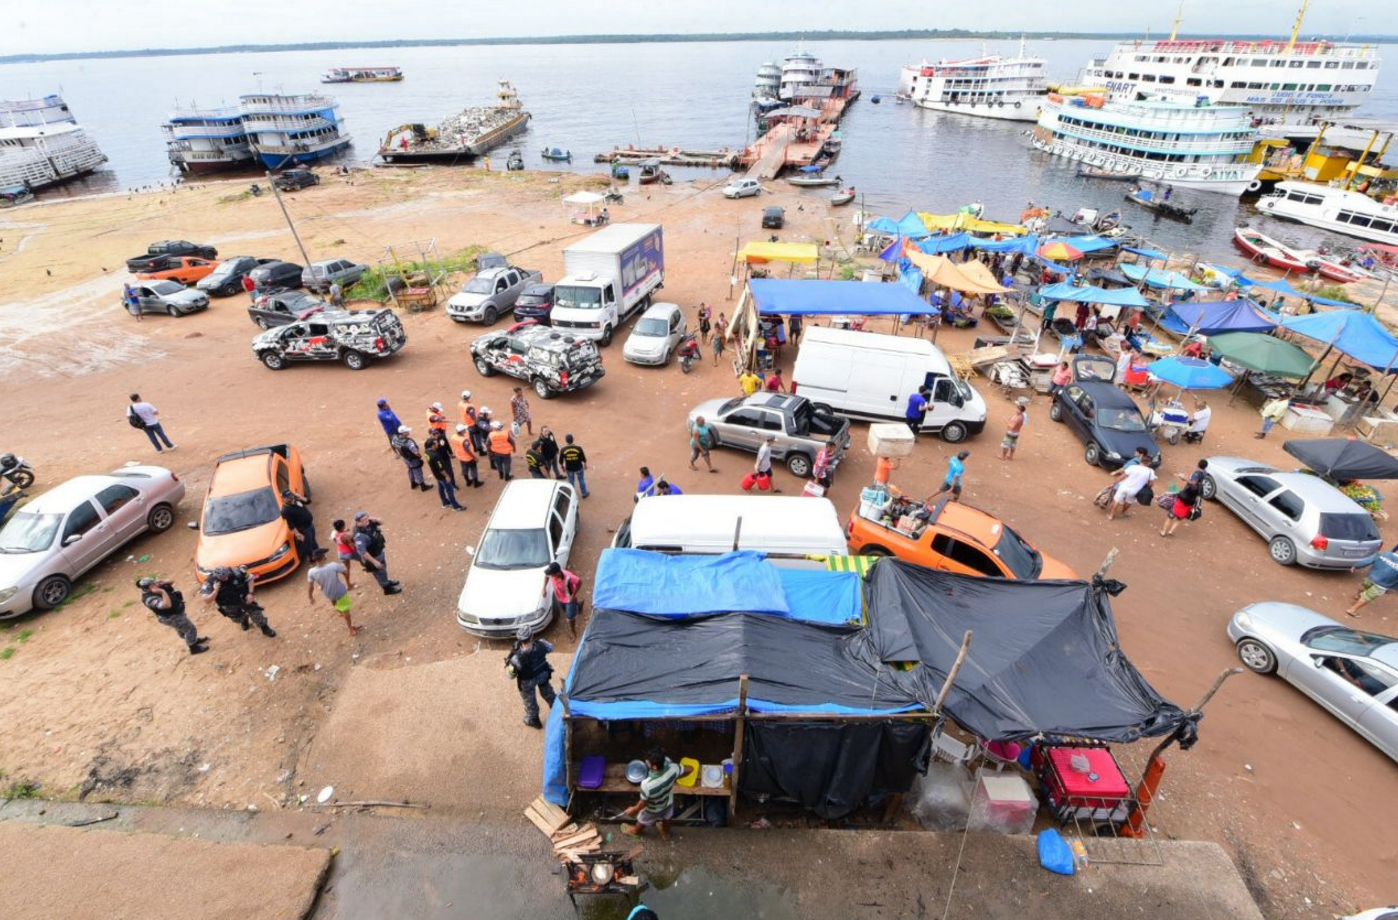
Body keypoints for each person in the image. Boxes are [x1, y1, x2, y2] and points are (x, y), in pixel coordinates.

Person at [621, 747, 694, 841]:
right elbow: (690, 769)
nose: (646, 762)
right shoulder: (673, 768)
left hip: (653, 809)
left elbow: (643, 803)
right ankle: (665, 833)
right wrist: (676, 776)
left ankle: (636, 831)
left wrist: (634, 809)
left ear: (654, 767)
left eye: (648, 762)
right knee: (667, 818)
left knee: (643, 819)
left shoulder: (646, 784)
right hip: (668, 802)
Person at [138, 577, 207, 655]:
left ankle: (192, 639)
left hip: (176, 613)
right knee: (190, 629)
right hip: (171, 617)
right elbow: (167, 605)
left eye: (154, 583)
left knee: (183, 629)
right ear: (146, 588)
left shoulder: (156, 587)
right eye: (152, 585)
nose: (155, 585)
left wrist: (163, 582)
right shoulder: (149, 599)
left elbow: (172, 581)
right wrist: (162, 591)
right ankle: (194, 648)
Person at [200, 567, 276, 637]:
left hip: (243, 598)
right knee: (236, 619)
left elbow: (250, 578)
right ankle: (243, 619)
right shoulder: (210, 582)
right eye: (223, 578)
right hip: (229, 604)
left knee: (256, 612)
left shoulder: (236, 572)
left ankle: (265, 628)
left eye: (227, 576)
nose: (226, 578)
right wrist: (216, 590)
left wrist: (250, 593)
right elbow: (207, 600)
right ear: (217, 577)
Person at [507, 627, 555, 728]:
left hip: (527, 681)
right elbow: (551, 648)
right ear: (532, 636)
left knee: (530, 700)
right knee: (548, 692)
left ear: (519, 640)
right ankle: (557, 710)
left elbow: (510, 675)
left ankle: (534, 720)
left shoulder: (516, 658)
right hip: (543, 674)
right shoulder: (542, 644)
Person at [306, 548, 358, 636]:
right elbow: (345, 572)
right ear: (324, 557)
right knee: (346, 611)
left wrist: (310, 597)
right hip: (340, 591)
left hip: (327, 592)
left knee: (333, 600)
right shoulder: (333, 566)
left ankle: (338, 610)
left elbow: (311, 587)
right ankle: (350, 629)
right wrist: (348, 582)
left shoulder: (311, 572)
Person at [353, 511, 401, 595]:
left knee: (383, 570)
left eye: (367, 518)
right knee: (379, 573)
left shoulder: (369, 523)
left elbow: (382, 522)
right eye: (365, 520)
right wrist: (374, 562)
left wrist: (375, 519)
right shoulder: (359, 536)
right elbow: (362, 552)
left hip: (379, 552)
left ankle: (386, 581)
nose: (367, 520)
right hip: (373, 557)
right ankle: (387, 589)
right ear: (358, 522)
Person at [1347, 548, 1398, 617]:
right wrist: (1394, 588)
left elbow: (1368, 560)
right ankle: (1352, 610)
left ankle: (1357, 596)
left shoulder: (1384, 553)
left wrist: (1357, 565)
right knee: (1367, 597)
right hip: (1382, 585)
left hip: (1371, 577)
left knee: (1364, 587)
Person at [1108, 453, 1157, 520]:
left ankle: (1111, 515)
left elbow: (1121, 477)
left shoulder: (1132, 467)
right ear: (1149, 463)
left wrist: (1113, 484)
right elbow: (1151, 484)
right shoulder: (1151, 472)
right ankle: (1123, 512)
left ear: (1141, 460)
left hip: (1124, 486)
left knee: (1117, 500)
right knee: (1129, 501)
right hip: (1135, 490)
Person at [426, 429, 465, 510]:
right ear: (432, 445)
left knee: (441, 488)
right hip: (441, 475)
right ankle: (456, 506)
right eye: (435, 444)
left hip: (436, 475)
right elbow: (441, 469)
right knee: (449, 490)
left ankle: (445, 502)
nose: (437, 445)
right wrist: (447, 476)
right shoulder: (436, 456)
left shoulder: (427, 452)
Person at [545, 561, 583, 639]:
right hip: (559, 598)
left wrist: (573, 595)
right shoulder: (552, 575)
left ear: (558, 573)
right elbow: (546, 576)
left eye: (552, 574)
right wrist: (544, 588)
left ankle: (573, 632)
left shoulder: (568, 577)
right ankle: (579, 606)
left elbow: (579, 582)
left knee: (570, 617)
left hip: (569, 600)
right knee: (567, 610)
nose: (551, 576)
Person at [279, 488, 319, 560]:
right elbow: (290, 525)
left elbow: (308, 501)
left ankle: (319, 554)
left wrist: (300, 497)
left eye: (291, 495)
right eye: (288, 497)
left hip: (310, 524)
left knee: (313, 541)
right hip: (304, 529)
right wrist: (298, 534)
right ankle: (313, 559)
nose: (291, 497)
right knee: (308, 545)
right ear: (283, 498)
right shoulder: (285, 511)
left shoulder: (296, 500)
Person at [392, 425, 430, 491]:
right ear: (403, 433)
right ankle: (423, 486)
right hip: (413, 459)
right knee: (417, 470)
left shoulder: (395, 438)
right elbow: (416, 452)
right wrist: (420, 457)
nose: (408, 431)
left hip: (404, 458)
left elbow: (393, 445)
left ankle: (413, 483)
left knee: (410, 468)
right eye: (407, 431)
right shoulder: (409, 442)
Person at [450, 423, 483, 488]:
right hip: (468, 458)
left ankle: (468, 481)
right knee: (473, 469)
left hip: (460, 456)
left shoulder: (453, 437)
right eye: (464, 430)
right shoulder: (464, 440)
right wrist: (474, 457)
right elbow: (468, 450)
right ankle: (476, 483)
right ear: (462, 431)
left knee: (464, 469)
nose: (465, 430)